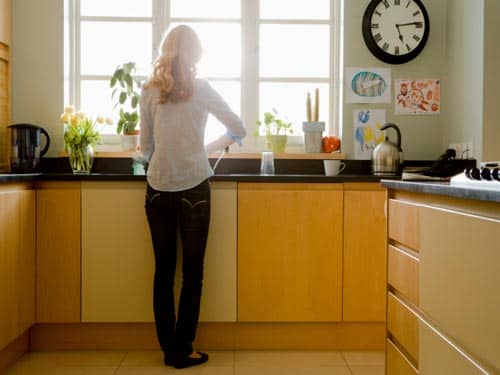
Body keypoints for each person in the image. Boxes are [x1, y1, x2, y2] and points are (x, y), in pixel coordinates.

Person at [140, 25, 246, 369]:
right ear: (196, 54)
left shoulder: (149, 90)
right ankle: (183, 349)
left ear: (165, 51)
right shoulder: (201, 89)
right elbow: (238, 128)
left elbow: (146, 148)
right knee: (193, 273)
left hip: (157, 187)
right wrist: (205, 147)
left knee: (163, 272)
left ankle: (169, 351)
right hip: (194, 187)